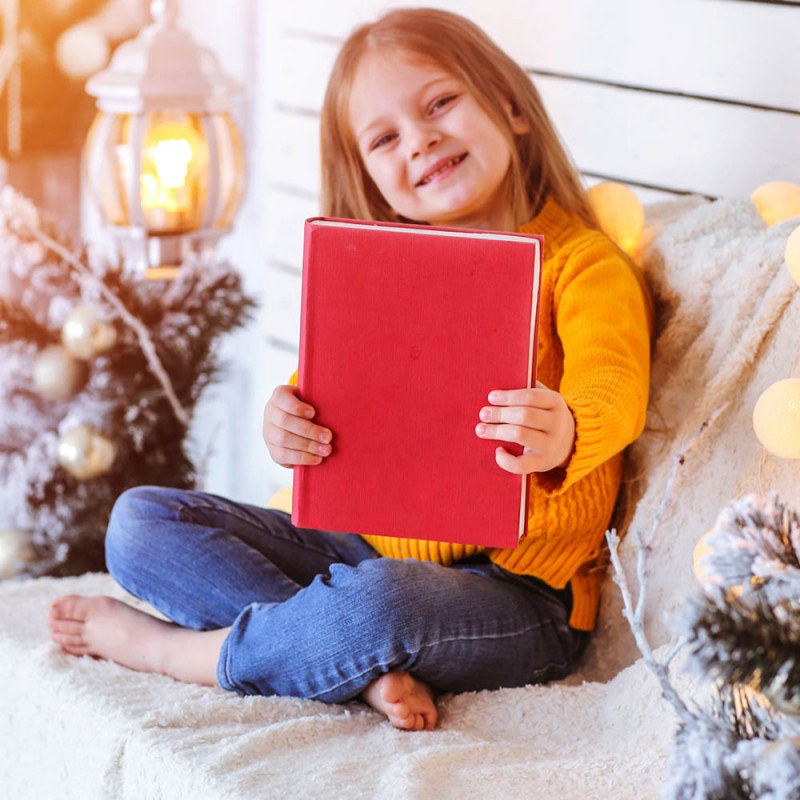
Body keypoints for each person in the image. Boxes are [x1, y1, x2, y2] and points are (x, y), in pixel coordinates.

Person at [48, 7, 652, 732]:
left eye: (440, 103)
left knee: (379, 602)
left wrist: (571, 427)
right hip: (366, 549)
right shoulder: (383, 282)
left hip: (518, 597)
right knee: (140, 523)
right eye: (386, 138)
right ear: (371, 179)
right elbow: (329, 405)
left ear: (513, 108)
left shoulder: (581, 265)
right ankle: (352, 665)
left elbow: (614, 383)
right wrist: (289, 425)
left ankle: (182, 655)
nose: (421, 139)